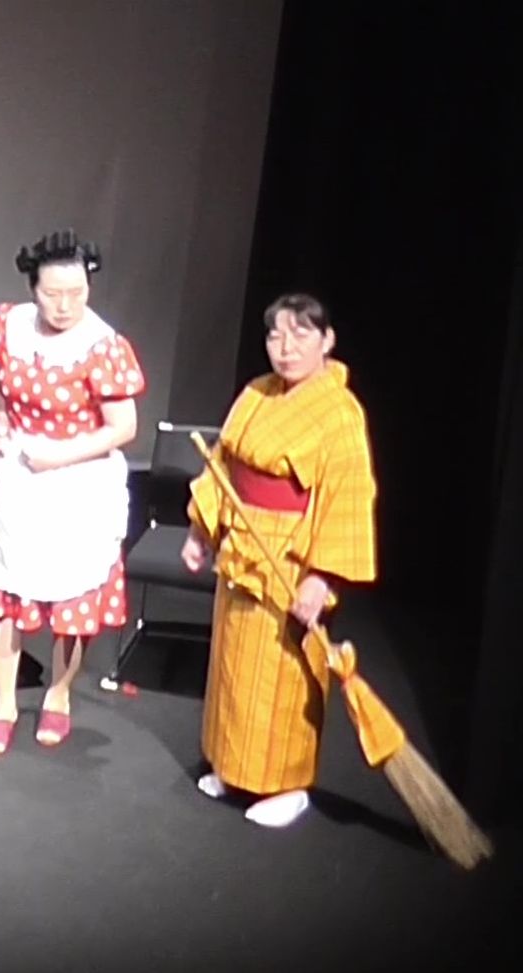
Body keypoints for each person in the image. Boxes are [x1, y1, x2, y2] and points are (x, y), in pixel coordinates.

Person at [181, 293, 377, 828]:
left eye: (300, 335)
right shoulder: (255, 393)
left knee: (280, 671)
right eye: (275, 336)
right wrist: (201, 529)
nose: (286, 348)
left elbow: (347, 498)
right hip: (241, 544)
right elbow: (224, 465)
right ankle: (231, 766)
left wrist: (321, 578)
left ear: (327, 340)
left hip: (291, 553)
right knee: (233, 664)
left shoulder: (340, 413)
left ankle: (287, 785)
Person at [0, 230, 145, 754]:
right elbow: (3, 390)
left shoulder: (101, 346)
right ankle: (4, 703)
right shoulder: (10, 325)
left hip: (78, 483)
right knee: (5, 595)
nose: (65, 305)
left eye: (76, 292)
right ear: (34, 289)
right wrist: (2, 426)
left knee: (72, 600)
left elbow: (123, 426)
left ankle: (58, 693)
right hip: (20, 478)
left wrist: (59, 455)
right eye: (53, 294)